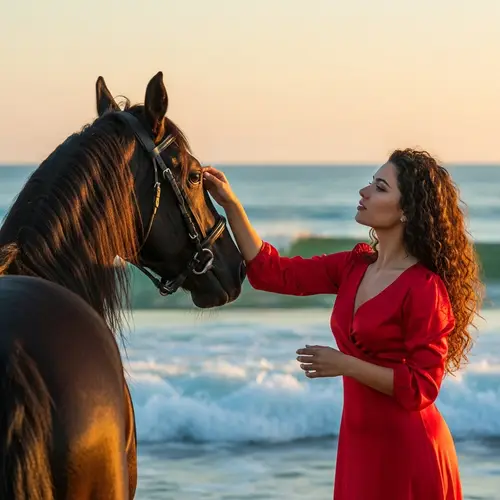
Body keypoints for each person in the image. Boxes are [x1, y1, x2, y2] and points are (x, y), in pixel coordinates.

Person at [202, 148, 484, 500]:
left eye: (380, 188)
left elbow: (421, 388)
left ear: (407, 211)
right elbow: (272, 273)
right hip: (359, 446)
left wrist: (344, 364)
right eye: (370, 183)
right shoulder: (355, 265)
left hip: (410, 451)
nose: (364, 193)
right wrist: (231, 206)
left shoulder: (425, 288)